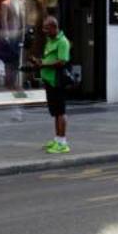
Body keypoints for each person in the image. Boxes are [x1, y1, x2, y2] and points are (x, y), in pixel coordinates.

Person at [39, 14, 72, 153]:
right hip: (49, 80)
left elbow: (62, 61)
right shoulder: (50, 40)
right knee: (55, 112)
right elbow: (48, 56)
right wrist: (39, 62)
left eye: (47, 28)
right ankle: (57, 139)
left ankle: (63, 142)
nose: (44, 31)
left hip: (57, 80)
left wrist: (44, 64)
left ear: (54, 27)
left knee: (61, 111)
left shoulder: (62, 41)